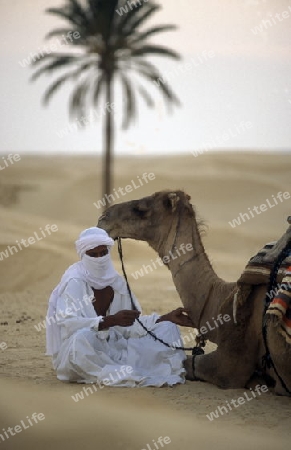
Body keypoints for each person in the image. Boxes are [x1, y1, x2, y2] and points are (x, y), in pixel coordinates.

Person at [46, 227, 194, 386]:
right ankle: (115, 372)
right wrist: (110, 321)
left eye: (103, 253)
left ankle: (124, 369)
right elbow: (68, 324)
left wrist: (166, 317)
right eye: (93, 255)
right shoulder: (74, 281)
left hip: (114, 347)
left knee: (167, 328)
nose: (99, 258)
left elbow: (131, 326)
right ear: (83, 255)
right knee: (82, 338)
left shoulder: (116, 283)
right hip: (83, 350)